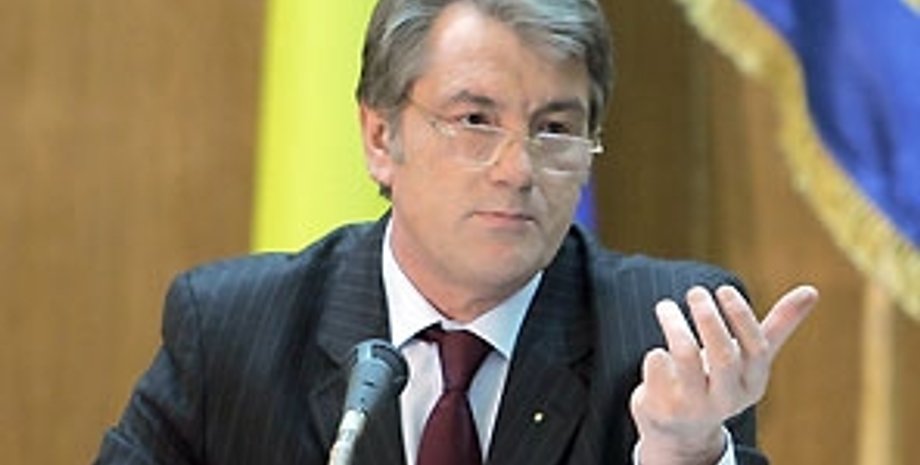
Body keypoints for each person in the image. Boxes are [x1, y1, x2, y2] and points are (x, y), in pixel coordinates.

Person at [94, 0, 818, 464]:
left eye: (555, 128)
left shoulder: (667, 337)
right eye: (475, 120)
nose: (517, 169)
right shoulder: (234, 328)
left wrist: (684, 452)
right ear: (381, 137)